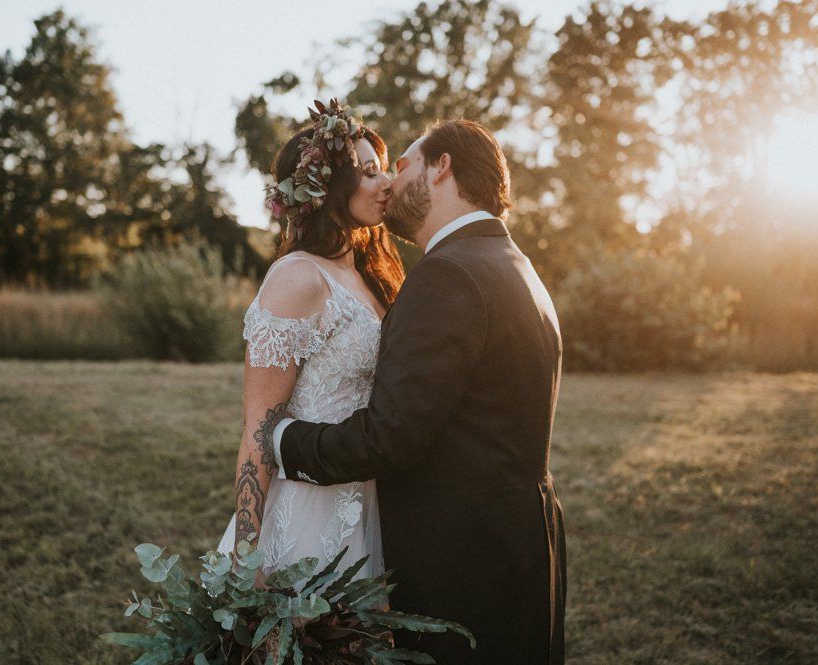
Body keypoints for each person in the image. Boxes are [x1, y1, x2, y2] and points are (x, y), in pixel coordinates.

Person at [271, 119, 567, 664]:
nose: (387, 181)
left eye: (400, 163)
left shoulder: (448, 274)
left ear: (442, 166)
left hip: (463, 561)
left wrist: (283, 442)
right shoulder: (514, 265)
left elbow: (389, 438)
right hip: (522, 544)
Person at [217, 100, 404, 585]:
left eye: (381, 170)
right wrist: (245, 555)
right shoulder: (297, 277)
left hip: (369, 502)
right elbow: (259, 429)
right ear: (325, 187)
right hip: (308, 513)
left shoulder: (367, 275)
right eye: (367, 172)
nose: (385, 183)